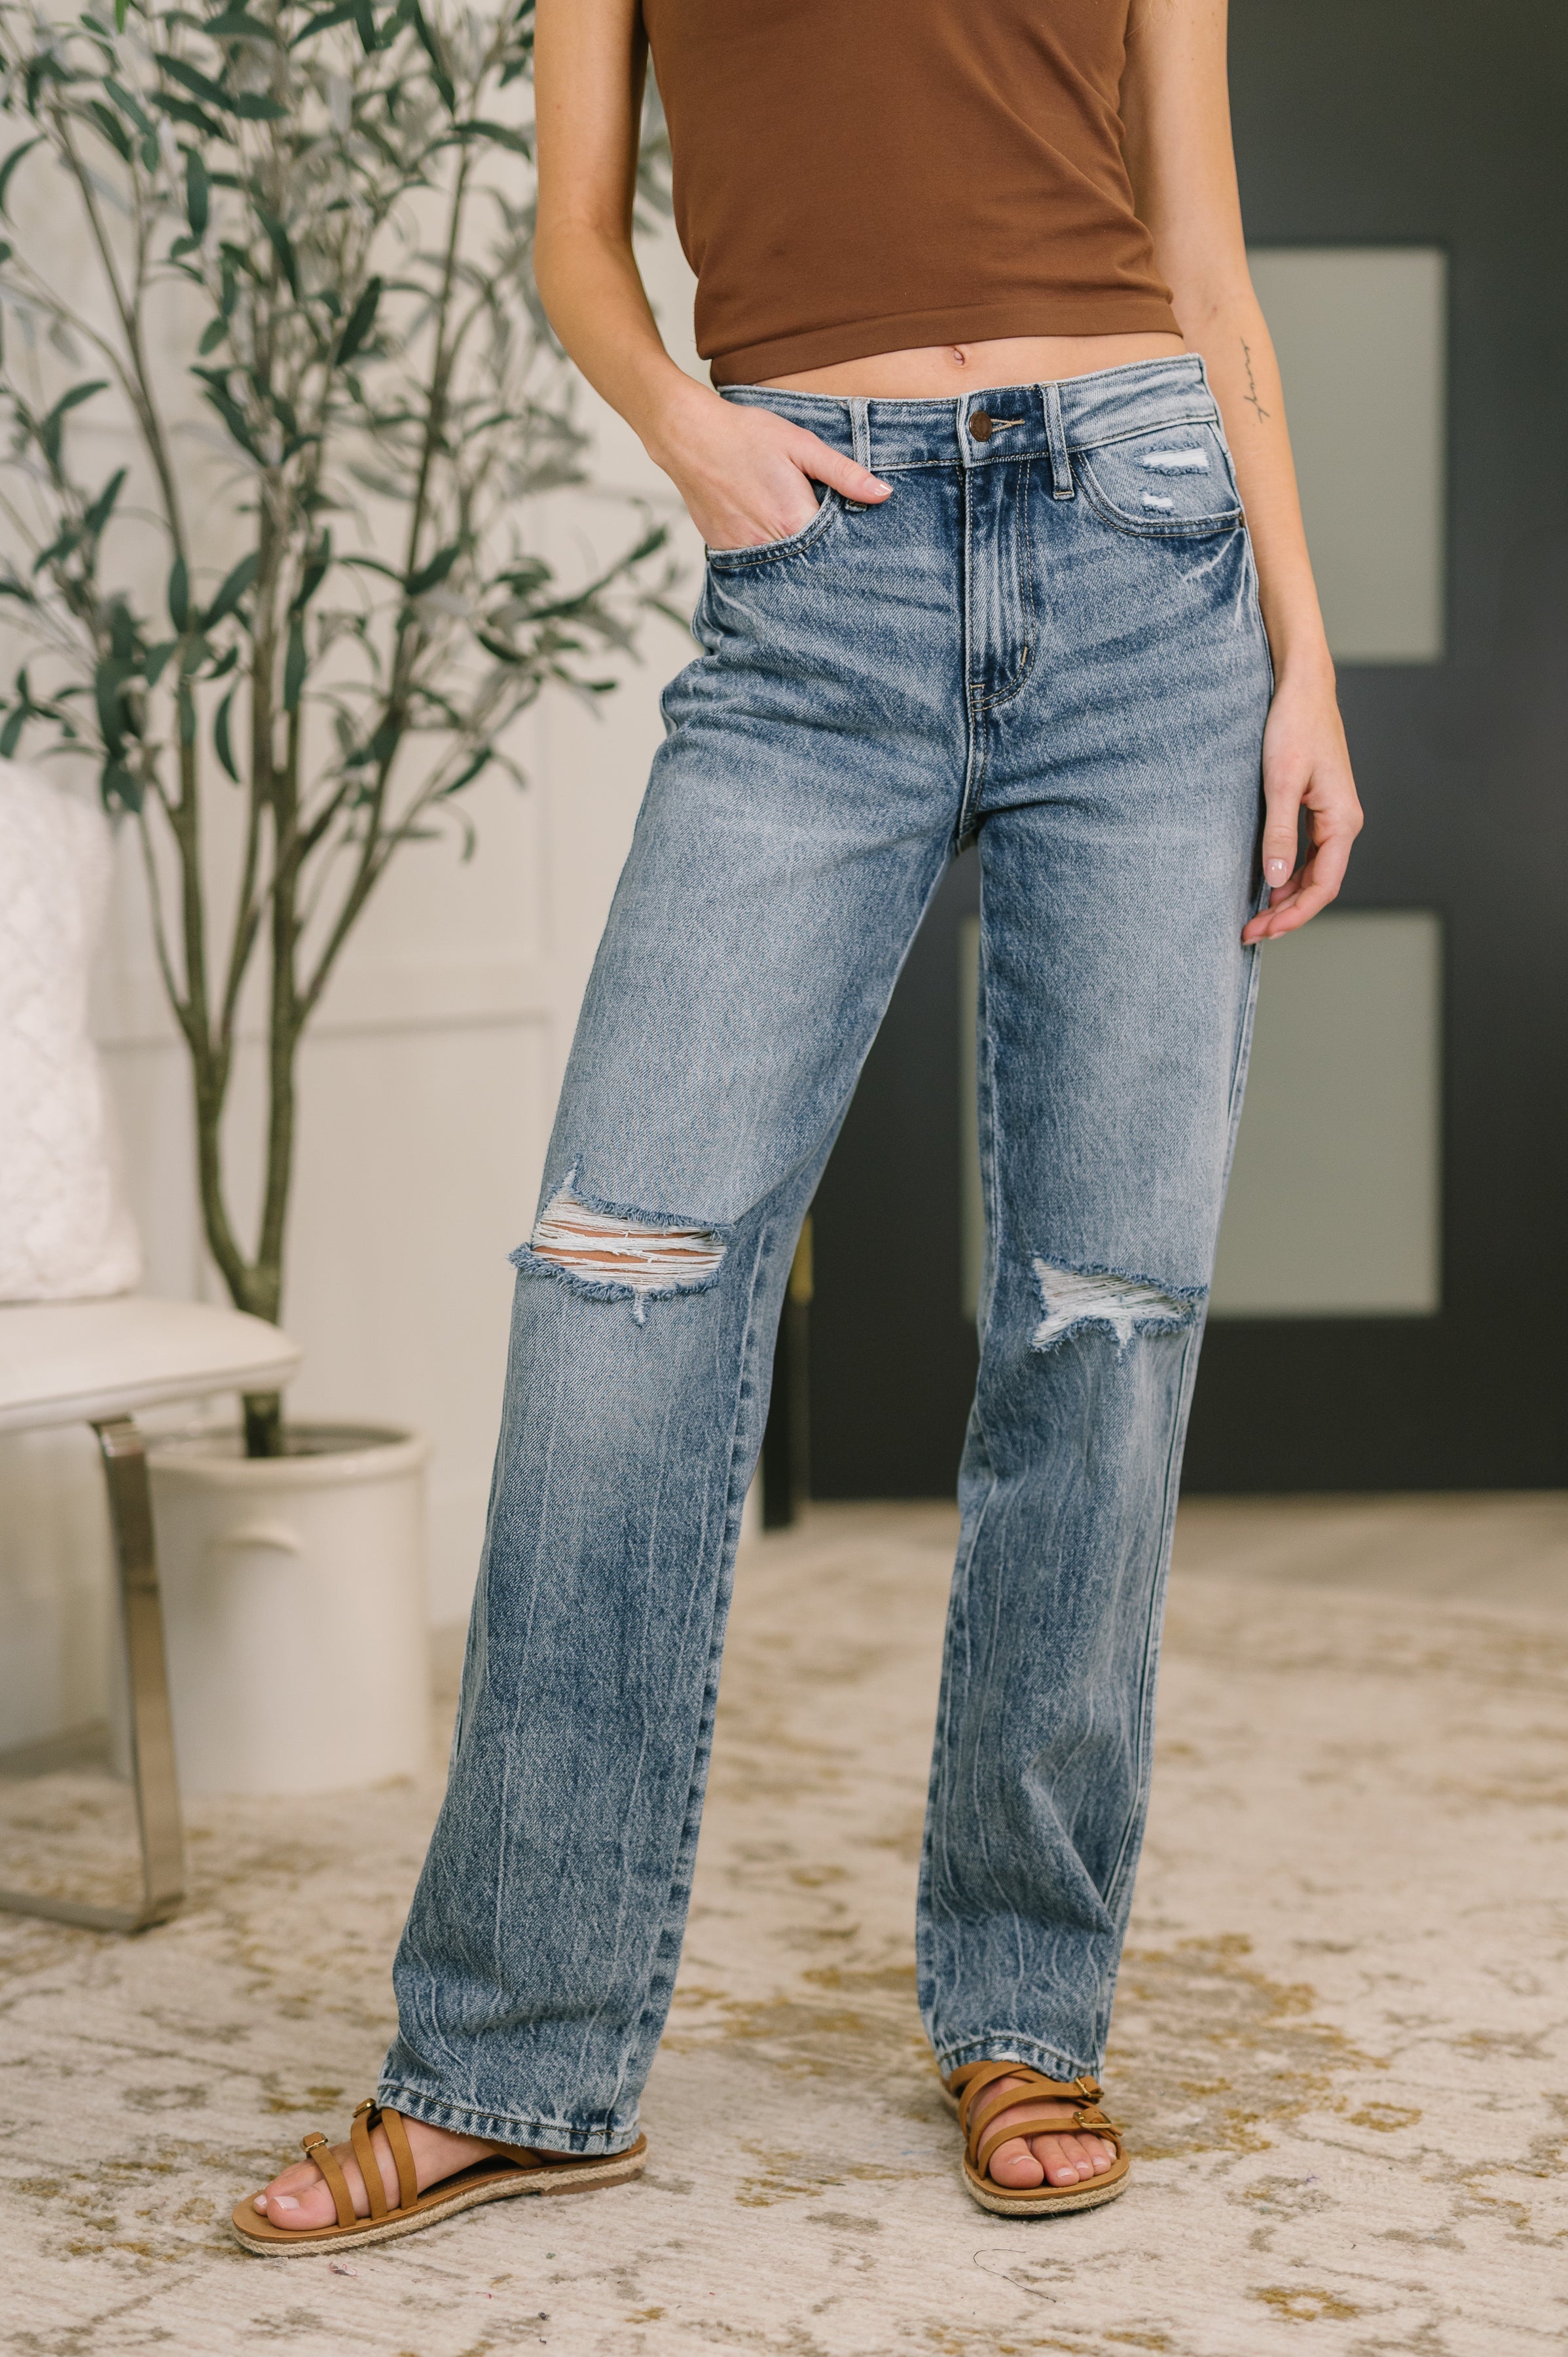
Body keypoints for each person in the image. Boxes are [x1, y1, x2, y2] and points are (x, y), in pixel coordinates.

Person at [235, 0, 1361, 2251]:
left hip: (1152, 558)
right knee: (618, 1278)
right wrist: (682, 428)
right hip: (812, 573)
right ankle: (519, 2054)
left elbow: (1212, 275)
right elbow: (574, 235)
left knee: (1100, 1314)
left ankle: (1028, 2004)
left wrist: (1303, 666)